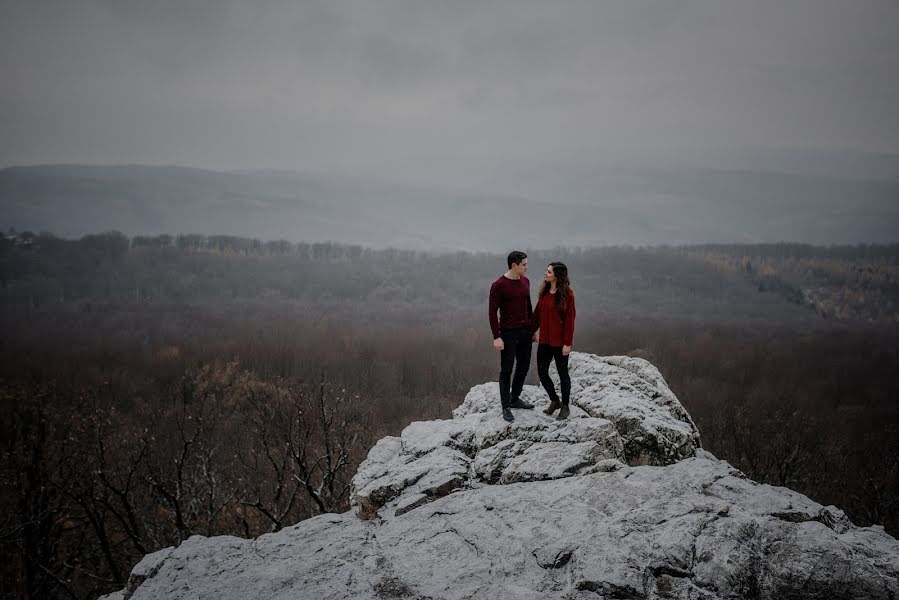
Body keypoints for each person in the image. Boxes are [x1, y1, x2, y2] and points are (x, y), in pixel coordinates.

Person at [489, 250, 535, 422]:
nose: (526, 267)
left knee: (523, 366)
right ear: (514, 265)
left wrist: (533, 330)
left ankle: (514, 398)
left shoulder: (525, 282)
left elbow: (528, 307)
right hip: (507, 333)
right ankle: (505, 406)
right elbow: (492, 313)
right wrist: (496, 336)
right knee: (506, 370)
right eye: (524, 264)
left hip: (525, 331)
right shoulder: (499, 285)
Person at [530, 261, 576, 420]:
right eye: (546, 271)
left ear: (557, 276)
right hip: (544, 342)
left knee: (563, 375)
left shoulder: (567, 295)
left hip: (560, 343)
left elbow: (570, 320)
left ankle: (565, 406)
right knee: (542, 372)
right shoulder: (544, 292)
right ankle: (554, 400)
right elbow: (537, 315)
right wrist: (531, 332)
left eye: (549, 272)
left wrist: (567, 343)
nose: (546, 273)